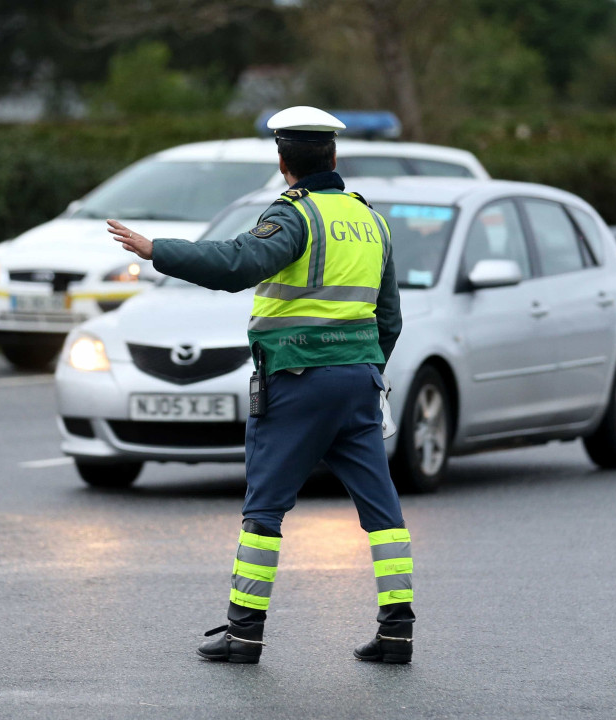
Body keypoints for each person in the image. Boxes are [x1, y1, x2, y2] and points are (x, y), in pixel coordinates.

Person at [107, 106, 413, 665]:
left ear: (282, 161)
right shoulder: (369, 219)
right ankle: (397, 631)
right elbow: (389, 317)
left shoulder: (294, 216)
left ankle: (244, 632)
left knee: (265, 508)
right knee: (381, 507)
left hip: (297, 380)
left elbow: (238, 263)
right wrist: (368, 368)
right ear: (334, 156)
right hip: (359, 379)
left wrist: (158, 251)